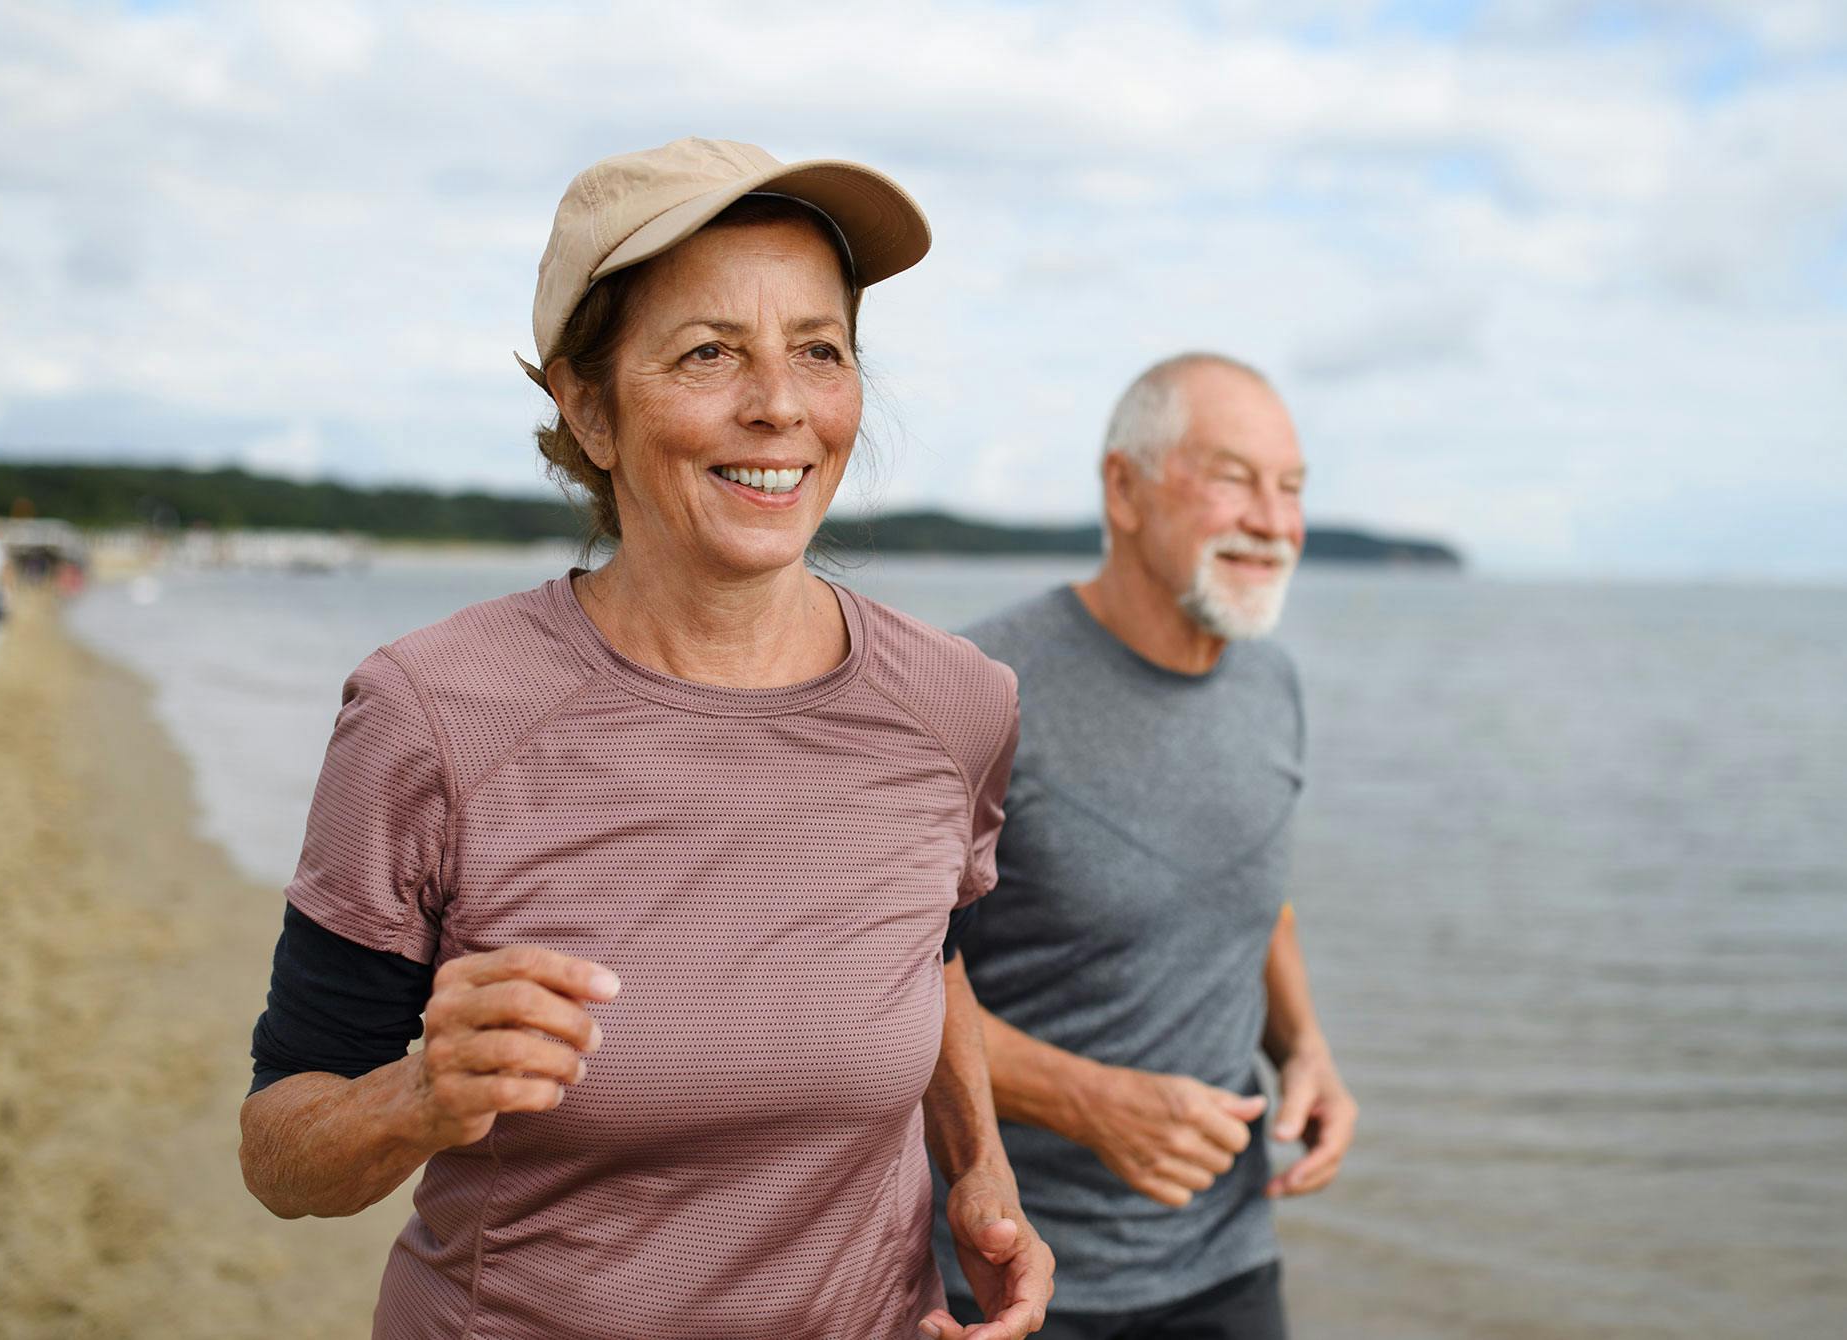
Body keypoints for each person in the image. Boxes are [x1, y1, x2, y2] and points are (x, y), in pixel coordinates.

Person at [239, 138, 1053, 1340]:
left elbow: (924, 954)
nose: (778, 403)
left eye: (818, 350)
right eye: (709, 351)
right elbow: (279, 1154)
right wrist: (415, 1098)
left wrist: (981, 1166)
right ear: (587, 407)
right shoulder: (432, 713)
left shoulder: (956, 704)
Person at [931, 354, 1357, 1339]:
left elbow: (1246, 890)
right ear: (1121, 488)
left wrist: (1304, 1047)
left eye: (1290, 487)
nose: (1271, 518)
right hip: (1011, 1274)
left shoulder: (1272, 685)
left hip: (1228, 1264)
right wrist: (1087, 1100)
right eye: (1230, 476)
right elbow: (875, 983)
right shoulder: (977, 691)